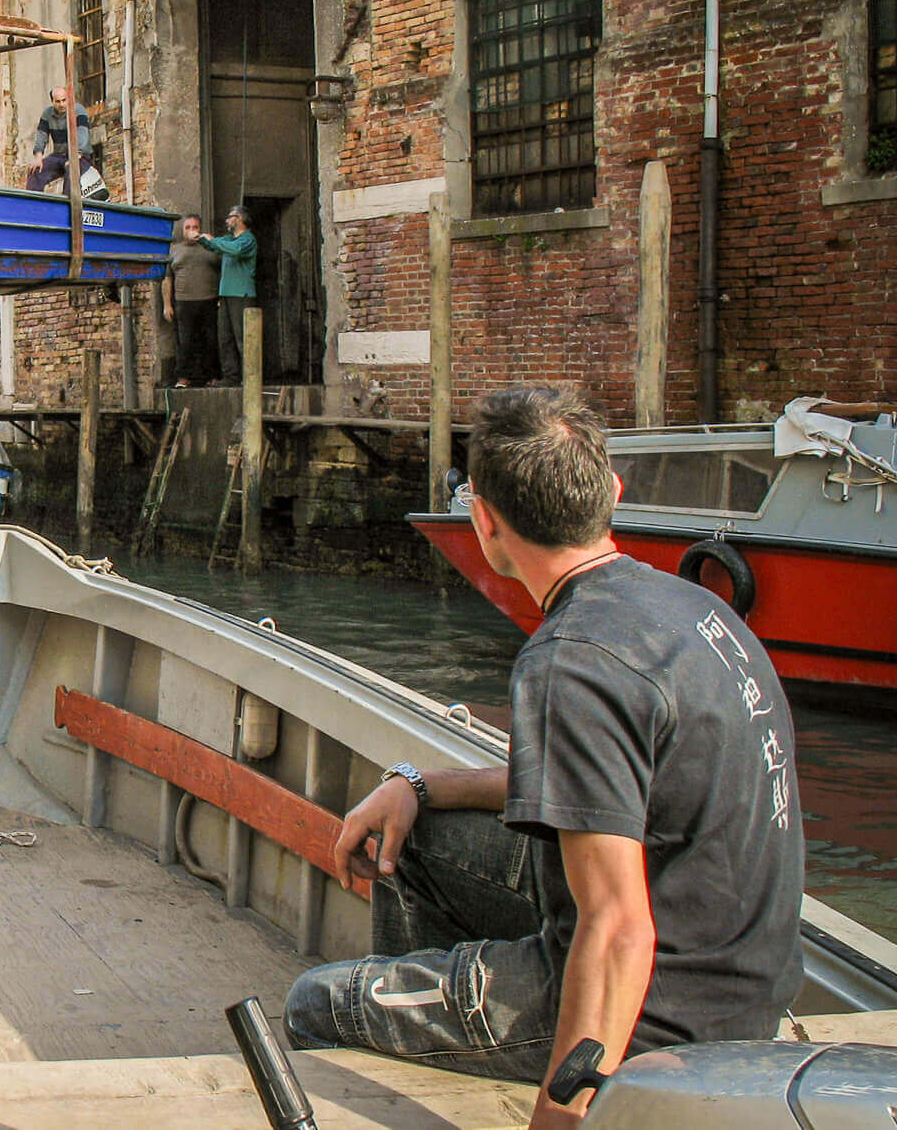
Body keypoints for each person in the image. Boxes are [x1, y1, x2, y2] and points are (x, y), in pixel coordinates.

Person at [283, 386, 804, 1128]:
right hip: (747, 977)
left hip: (662, 1013)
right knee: (414, 839)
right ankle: (457, 1040)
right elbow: (596, 786)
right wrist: (420, 785)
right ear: (611, 493)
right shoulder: (695, 609)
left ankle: (476, 1047)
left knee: (316, 1004)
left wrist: (561, 1115)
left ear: (485, 522)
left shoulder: (570, 659)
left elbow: (619, 925)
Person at [196, 204, 258, 385]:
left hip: (242, 294)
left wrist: (212, 240)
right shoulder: (229, 239)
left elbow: (235, 250)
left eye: (230, 216)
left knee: (243, 338)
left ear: (239, 219)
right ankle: (231, 376)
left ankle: (251, 378)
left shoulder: (248, 239)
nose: (227, 220)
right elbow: (216, 247)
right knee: (225, 338)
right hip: (226, 294)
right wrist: (201, 239)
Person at [163, 214, 220, 386]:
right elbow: (167, 279)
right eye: (188, 227)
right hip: (184, 302)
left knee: (210, 340)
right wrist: (167, 305)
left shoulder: (210, 247)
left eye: (195, 227)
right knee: (184, 341)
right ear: (182, 230)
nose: (192, 231)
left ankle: (212, 377)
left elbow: (225, 267)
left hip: (209, 300)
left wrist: (214, 242)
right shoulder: (174, 250)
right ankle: (183, 378)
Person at [23, 86, 92, 194]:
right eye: (58, 101)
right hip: (59, 156)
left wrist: (76, 155)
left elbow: (82, 133)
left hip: (80, 156)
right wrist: (38, 157)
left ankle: (67, 206)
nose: (62, 104)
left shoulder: (78, 110)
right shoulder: (47, 114)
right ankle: (33, 206)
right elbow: (42, 135)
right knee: (35, 171)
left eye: (64, 100)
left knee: (72, 171)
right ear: (52, 102)